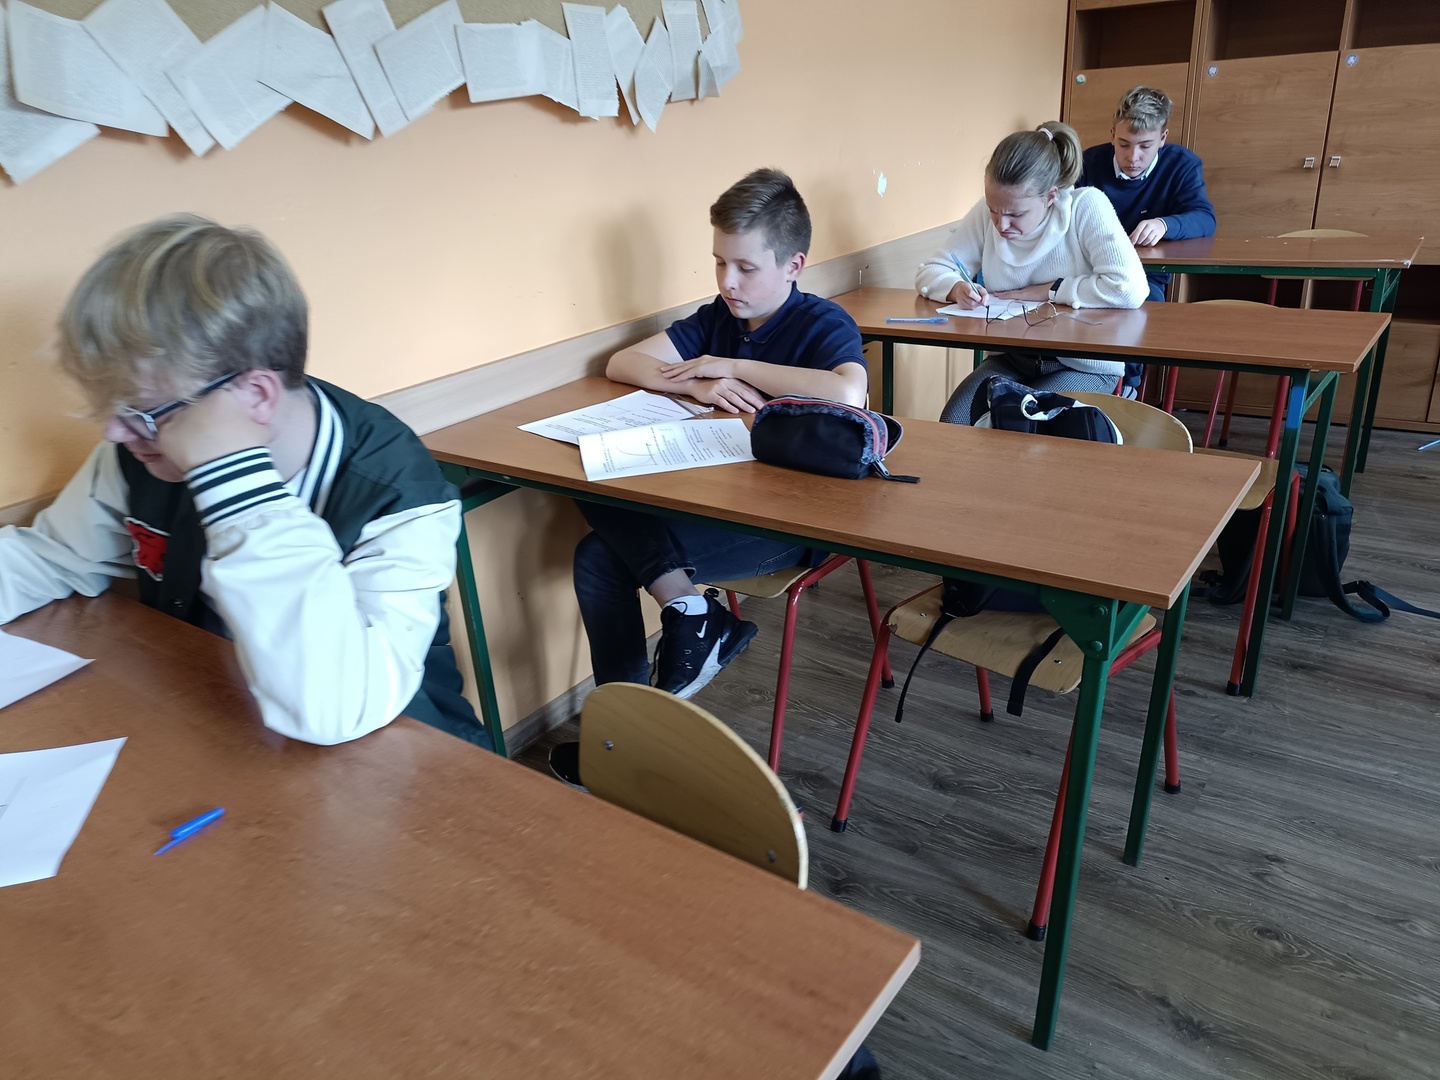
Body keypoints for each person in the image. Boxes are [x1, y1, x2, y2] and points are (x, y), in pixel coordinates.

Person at [0, 214, 489, 750]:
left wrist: (233, 477)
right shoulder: (146, 446)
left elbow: (336, 709)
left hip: (400, 752)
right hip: (223, 715)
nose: (114, 432)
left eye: (141, 411)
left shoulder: (401, 495)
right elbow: (49, 558)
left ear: (256, 396)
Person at [549, 167, 867, 787]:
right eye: (719, 262)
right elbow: (623, 362)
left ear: (795, 266)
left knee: (600, 555)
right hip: (715, 501)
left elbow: (848, 393)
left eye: (745, 267)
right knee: (591, 499)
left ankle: (647, 703)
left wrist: (732, 365)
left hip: (792, 523)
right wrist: (699, 382)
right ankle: (678, 642)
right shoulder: (717, 317)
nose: (727, 282)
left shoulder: (822, 324)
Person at [916, 121, 1148, 423]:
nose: (1001, 225)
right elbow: (930, 270)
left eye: (1016, 214)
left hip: (1083, 365)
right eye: (993, 210)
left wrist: (1051, 290)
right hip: (1012, 358)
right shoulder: (991, 212)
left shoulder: (1085, 207)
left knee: (1024, 427)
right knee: (954, 423)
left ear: (1050, 197)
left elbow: (1130, 288)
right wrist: (955, 287)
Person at [1078, 85, 1216, 302]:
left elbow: (1205, 219)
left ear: (1162, 138)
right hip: (1088, 270)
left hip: (1145, 276)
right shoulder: (1087, 163)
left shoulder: (1182, 164)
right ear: (1112, 135)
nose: (1133, 157)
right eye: (1124, 144)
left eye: (1145, 146)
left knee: (1145, 316)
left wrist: (1164, 225)